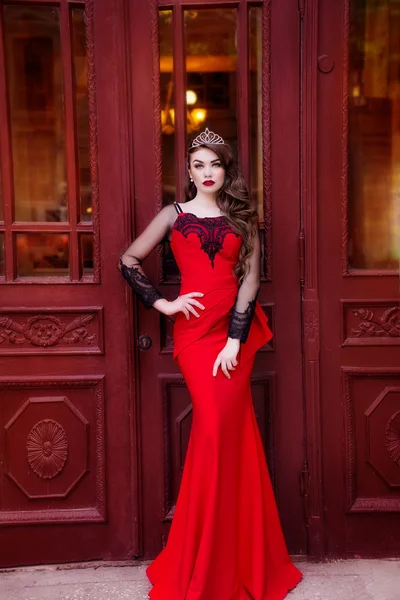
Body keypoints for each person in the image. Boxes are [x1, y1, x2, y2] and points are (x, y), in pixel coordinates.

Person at [119, 128, 303, 599]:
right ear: (188, 171)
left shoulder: (244, 220)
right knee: (218, 431)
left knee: (230, 436)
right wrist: (165, 305)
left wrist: (236, 343)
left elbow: (250, 281)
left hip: (231, 338)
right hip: (194, 337)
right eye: (198, 165)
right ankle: (201, 556)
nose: (207, 173)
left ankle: (238, 555)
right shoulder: (173, 214)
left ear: (227, 170)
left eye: (215, 165)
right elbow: (129, 260)